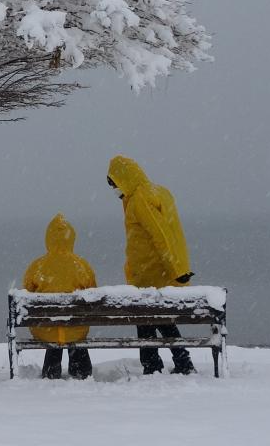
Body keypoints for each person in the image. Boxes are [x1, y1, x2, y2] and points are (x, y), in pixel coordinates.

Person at [107, 155, 197, 375]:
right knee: (160, 319)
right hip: (160, 272)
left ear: (123, 179)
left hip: (152, 274)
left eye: (115, 185)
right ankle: (177, 362)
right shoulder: (159, 192)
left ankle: (156, 365)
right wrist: (178, 268)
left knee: (148, 319)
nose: (116, 191)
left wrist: (177, 270)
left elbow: (160, 235)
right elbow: (171, 232)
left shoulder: (140, 199)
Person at [22, 213, 97, 379]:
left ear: (48, 238)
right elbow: (93, 292)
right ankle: (81, 371)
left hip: (45, 329)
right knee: (73, 329)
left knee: (54, 329)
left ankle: (51, 371)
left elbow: (27, 291)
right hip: (75, 328)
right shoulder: (81, 265)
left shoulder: (38, 265)